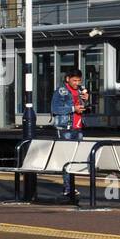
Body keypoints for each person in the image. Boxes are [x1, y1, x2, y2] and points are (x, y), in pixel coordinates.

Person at [50, 71, 88, 204]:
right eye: (75, 81)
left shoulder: (79, 91)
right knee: (67, 159)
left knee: (76, 158)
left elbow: (81, 107)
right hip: (65, 128)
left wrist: (85, 100)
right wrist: (73, 108)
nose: (77, 83)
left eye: (79, 81)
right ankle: (68, 188)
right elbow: (55, 109)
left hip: (78, 127)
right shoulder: (61, 91)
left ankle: (71, 186)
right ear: (68, 79)